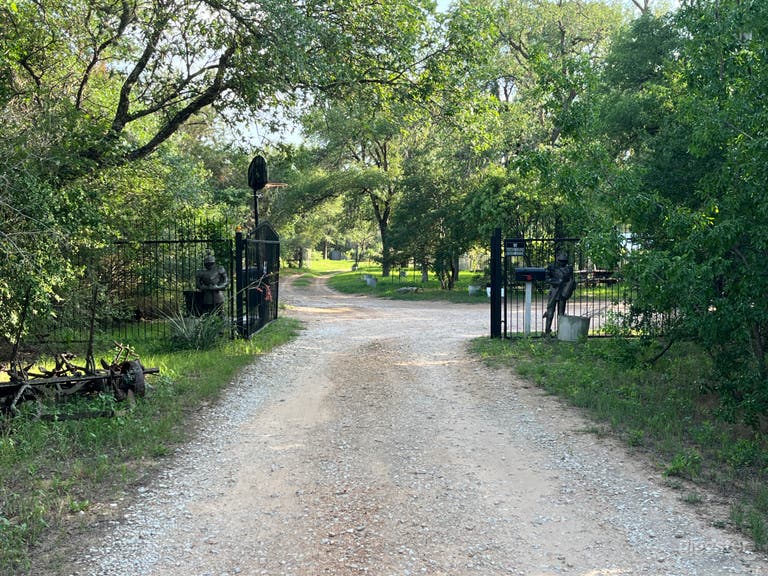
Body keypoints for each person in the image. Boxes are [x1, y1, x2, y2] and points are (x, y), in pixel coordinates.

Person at [543, 252, 575, 335]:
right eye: (561, 261)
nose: (563, 262)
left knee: (561, 313)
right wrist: (556, 282)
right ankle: (547, 332)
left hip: (563, 292)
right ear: (558, 260)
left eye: (564, 261)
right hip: (554, 291)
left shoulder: (569, 269)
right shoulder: (551, 267)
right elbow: (546, 278)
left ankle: (560, 332)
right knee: (550, 312)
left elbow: (572, 281)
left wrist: (568, 289)